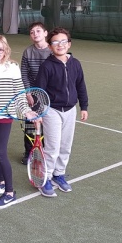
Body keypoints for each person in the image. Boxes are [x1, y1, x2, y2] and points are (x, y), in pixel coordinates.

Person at [0, 35, 37, 209]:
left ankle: (10, 193)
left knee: (1, 152)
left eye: (0, 49)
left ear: (5, 51)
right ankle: (1, 182)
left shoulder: (12, 68)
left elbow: (19, 93)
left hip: (5, 118)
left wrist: (26, 110)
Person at [34, 27, 88, 198]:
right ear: (50, 46)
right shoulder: (46, 66)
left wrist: (84, 106)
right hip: (52, 111)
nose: (60, 45)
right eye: (55, 42)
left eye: (63, 41)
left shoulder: (76, 64)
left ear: (69, 44)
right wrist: (38, 113)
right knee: (52, 147)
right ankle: (46, 178)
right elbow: (39, 91)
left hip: (70, 110)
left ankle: (59, 174)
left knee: (65, 146)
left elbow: (81, 86)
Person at [20, 22, 51, 165]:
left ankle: (45, 153)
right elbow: (24, 73)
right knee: (30, 125)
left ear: (45, 33)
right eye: (32, 32)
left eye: (38, 31)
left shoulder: (52, 51)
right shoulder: (27, 52)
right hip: (33, 93)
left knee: (49, 125)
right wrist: (28, 93)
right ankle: (29, 153)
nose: (35, 34)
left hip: (50, 94)